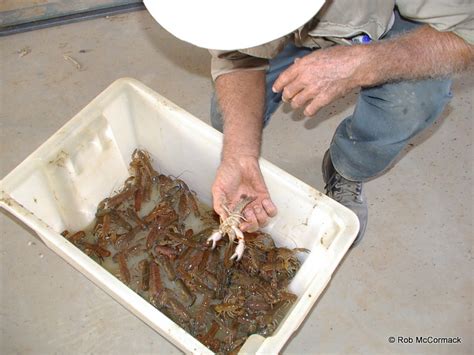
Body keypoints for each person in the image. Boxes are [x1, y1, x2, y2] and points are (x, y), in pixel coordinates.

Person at [144, 0, 474, 245]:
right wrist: (239, 155)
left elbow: (468, 35)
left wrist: (366, 63)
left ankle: (346, 167)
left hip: (387, 26)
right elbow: (236, 57)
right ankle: (290, 57)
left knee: (414, 102)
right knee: (228, 122)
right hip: (298, 29)